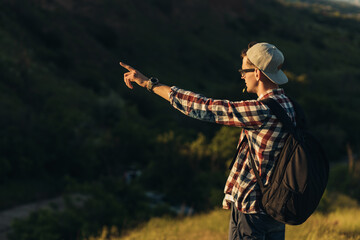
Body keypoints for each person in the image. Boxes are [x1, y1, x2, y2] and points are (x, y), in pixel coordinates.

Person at [120, 42, 295, 240]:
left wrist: (149, 84)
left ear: (257, 73)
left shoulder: (261, 110)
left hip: (252, 208)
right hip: (277, 207)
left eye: (244, 70)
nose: (241, 76)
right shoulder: (289, 106)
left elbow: (205, 107)